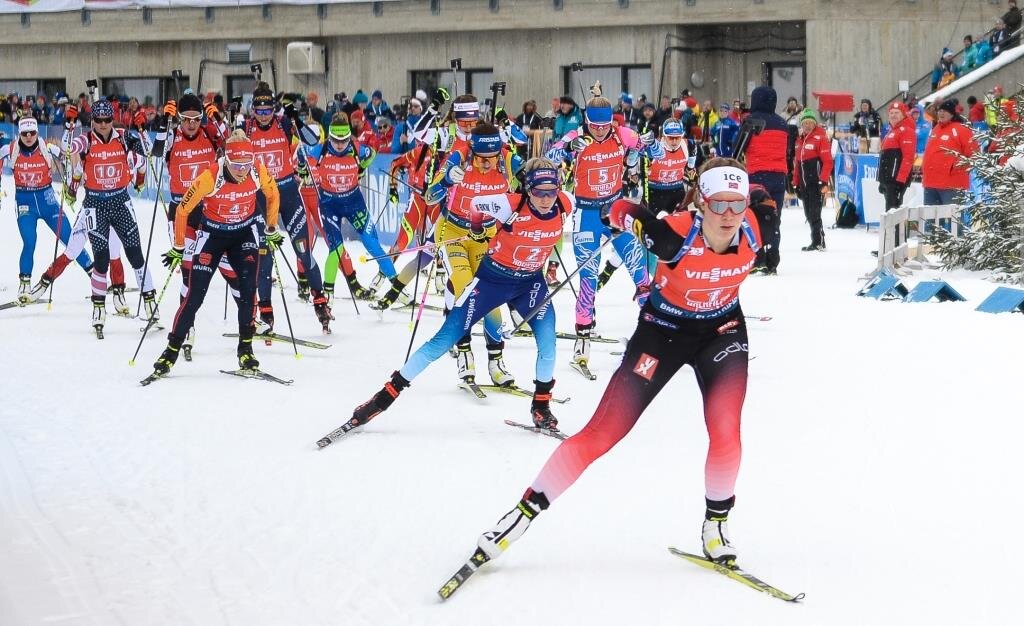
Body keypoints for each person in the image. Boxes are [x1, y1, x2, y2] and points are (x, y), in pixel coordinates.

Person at [469, 158, 762, 570]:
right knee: (603, 432)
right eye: (719, 205)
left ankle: (716, 526)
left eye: (738, 204)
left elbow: (763, 200)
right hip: (662, 334)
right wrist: (632, 221)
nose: (729, 215)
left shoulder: (754, 224)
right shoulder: (674, 235)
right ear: (701, 204)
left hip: (723, 331)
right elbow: (619, 210)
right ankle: (518, 518)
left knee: (726, 430)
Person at [346, 159, 572, 436]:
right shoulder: (509, 204)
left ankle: (541, 407)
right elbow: (477, 204)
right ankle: (383, 398)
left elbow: (606, 211)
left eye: (552, 191)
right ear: (528, 189)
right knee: (442, 340)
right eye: (540, 192)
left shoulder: (565, 203)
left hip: (530, 284)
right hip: (492, 281)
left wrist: (616, 221)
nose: (547, 199)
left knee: (548, 343)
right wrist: (477, 229)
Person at [546, 96, 663, 374]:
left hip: (616, 211)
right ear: (587, 122)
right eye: (594, 125)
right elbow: (549, 157)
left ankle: (656, 338)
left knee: (641, 274)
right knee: (588, 280)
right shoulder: (578, 135)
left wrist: (650, 143)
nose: (599, 131)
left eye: (604, 125)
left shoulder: (622, 134)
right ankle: (583, 340)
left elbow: (657, 156)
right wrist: (567, 148)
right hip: (586, 215)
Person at [149, 131, 279, 378]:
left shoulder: (257, 170)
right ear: (227, 160)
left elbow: (273, 194)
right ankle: (171, 350)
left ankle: (246, 349)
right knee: (195, 295)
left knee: (249, 290)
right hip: (212, 237)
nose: (242, 170)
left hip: (243, 235)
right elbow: (183, 209)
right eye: (236, 165)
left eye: (246, 164)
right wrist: (178, 246)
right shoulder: (210, 176)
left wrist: (271, 227)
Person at [425, 121, 522, 386]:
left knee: (489, 297)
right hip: (453, 231)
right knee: (465, 289)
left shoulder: (506, 159)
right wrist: (445, 180)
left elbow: (531, 179)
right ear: (472, 150)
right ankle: (464, 352)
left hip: (485, 235)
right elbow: (429, 196)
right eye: (482, 158)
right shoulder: (458, 157)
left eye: (492, 158)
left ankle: (496, 361)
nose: (488, 164)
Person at [65, 98, 157, 335]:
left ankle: (149, 300)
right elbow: (68, 148)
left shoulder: (124, 137)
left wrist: (142, 128)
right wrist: (69, 125)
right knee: (102, 258)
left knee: (135, 254)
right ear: (92, 121)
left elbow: (148, 152)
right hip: (95, 204)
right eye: (99, 120)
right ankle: (98, 307)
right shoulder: (86, 140)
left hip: (120, 201)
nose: (104, 124)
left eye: (108, 120)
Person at [244, 83, 330, 332]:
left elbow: (312, 141)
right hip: (261, 197)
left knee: (303, 251)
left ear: (274, 108)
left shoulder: (283, 124)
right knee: (264, 256)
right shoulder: (246, 129)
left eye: (267, 109)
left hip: (289, 194)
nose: (263, 115)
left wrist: (295, 119)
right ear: (253, 110)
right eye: (258, 110)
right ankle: (265, 308)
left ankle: (320, 300)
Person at [157, 92, 236, 355]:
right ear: (179, 118)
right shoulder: (172, 136)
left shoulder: (210, 135)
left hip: (207, 209)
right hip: (181, 211)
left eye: (196, 118)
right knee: (190, 270)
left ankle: (251, 312)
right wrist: (162, 121)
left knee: (224, 264)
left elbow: (232, 144)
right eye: (186, 119)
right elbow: (157, 151)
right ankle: (187, 325)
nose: (191, 124)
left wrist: (217, 117)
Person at [305, 112, 398, 332]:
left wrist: (363, 168)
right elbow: (302, 156)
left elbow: (372, 153)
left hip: (354, 202)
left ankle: (397, 285)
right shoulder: (320, 149)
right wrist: (303, 170)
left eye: (344, 140)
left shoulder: (357, 148)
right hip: (329, 205)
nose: (339, 145)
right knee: (336, 250)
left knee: (372, 243)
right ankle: (327, 296)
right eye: (336, 141)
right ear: (329, 138)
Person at [1, 117, 92, 297]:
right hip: (25, 204)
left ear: (37, 133)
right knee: (29, 242)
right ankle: (24, 283)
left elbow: (67, 155)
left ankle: (95, 274)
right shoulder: (10, 149)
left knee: (70, 238)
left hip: (48, 202)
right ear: (20, 133)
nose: (28, 137)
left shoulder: (47, 148)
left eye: (32, 133)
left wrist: (69, 181)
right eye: (25, 133)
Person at [734, 86, 791, 275]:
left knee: (754, 218)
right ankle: (773, 259)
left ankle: (757, 257)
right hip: (778, 176)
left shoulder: (751, 121)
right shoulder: (783, 124)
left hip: (757, 176)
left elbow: (738, 148)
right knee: (774, 217)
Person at [922, 99, 976, 208]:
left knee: (954, 221)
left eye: (945, 111)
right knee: (930, 220)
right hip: (931, 183)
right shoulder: (936, 129)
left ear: (952, 114)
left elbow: (973, 153)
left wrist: (954, 167)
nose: (941, 113)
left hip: (952, 184)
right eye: (940, 111)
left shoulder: (962, 129)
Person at [792, 109, 832, 251]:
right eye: (805, 123)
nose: (807, 125)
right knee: (808, 213)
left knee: (815, 213)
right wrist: (795, 183)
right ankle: (816, 240)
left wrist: (823, 180)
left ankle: (818, 241)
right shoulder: (799, 141)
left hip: (816, 183)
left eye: (810, 122)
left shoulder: (820, 138)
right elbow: (797, 165)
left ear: (814, 124)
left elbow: (827, 162)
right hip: (804, 183)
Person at [877, 102, 917, 215]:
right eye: (891, 113)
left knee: (894, 211)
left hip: (896, 180)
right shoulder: (892, 131)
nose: (893, 115)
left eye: (897, 113)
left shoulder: (907, 131)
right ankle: (890, 232)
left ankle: (895, 232)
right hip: (888, 179)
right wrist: (882, 180)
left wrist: (901, 180)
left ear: (903, 114)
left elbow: (908, 157)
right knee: (889, 210)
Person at [645, 119, 690, 214]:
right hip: (656, 192)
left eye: (677, 138)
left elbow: (692, 167)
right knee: (657, 223)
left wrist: (691, 172)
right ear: (664, 136)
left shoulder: (689, 145)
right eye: (670, 138)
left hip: (677, 190)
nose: (674, 141)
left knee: (681, 223)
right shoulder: (654, 148)